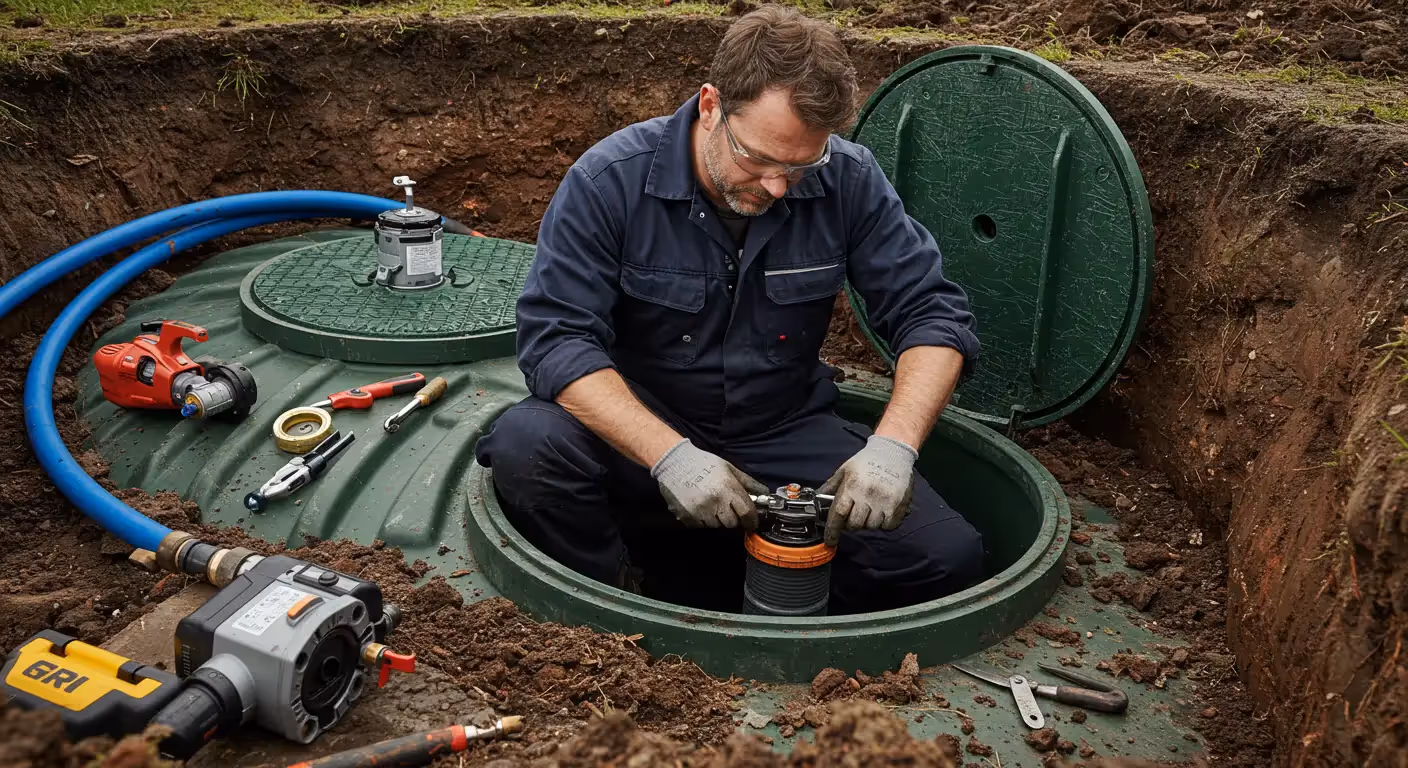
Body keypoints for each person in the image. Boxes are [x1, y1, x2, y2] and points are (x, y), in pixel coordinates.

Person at [474, 5, 984, 614]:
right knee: (528, 445)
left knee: (944, 557)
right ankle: (616, 607)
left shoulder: (848, 179)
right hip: (639, 427)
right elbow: (557, 343)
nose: (776, 187)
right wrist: (670, 456)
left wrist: (894, 447)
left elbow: (931, 313)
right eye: (758, 159)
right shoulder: (609, 180)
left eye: (800, 166)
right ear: (712, 105)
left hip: (781, 430)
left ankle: (788, 619)